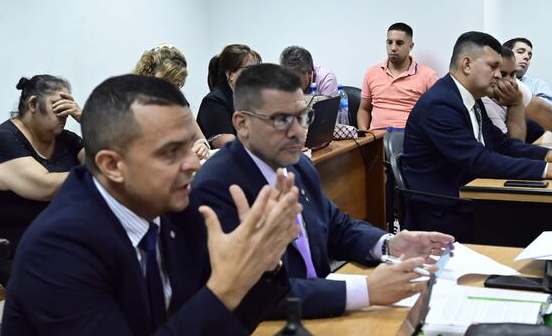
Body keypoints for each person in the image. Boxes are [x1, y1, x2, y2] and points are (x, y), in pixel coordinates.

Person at [0, 74, 302, 336]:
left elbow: (218, 328)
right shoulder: (59, 246)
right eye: (171, 152)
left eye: (192, 147)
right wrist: (226, 287)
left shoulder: (178, 208)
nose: (193, 165)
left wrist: (261, 266)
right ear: (112, 165)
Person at [193, 63, 454, 319]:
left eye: (303, 116)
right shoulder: (217, 186)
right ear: (242, 124)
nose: (298, 132)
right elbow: (257, 294)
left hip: (318, 314)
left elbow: (336, 226)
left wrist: (388, 245)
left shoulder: (299, 165)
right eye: (282, 120)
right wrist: (366, 290)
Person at [402, 32, 552, 239]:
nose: (498, 74)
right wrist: (549, 170)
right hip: (445, 211)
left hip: (471, 196)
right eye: (493, 66)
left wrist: (549, 156)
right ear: (467, 64)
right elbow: (478, 160)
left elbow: (501, 144)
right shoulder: (440, 104)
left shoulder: (469, 98)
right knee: (547, 217)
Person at [0, 75, 83, 283]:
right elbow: (46, 187)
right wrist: (100, 171)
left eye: (68, 105)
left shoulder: (63, 138)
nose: (65, 114)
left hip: (44, 232)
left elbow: (107, 160)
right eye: (57, 105)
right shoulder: (3, 140)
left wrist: (88, 120)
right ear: (33, 104)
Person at [133, 44, 211, 159]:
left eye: (176, 84)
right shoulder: (134, 106)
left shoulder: (179, 101)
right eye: (164, 81)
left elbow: (199, 137)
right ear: (148, 75)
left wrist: (202, 145)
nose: (170, 89)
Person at [357, 22, 439, 130]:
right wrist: (365, 135)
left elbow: (439, 114)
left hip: (408, 137)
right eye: (389, 42)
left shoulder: (428, 76)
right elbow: (364, 109)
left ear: (411, 46)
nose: (393, 48)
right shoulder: (372, 72)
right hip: (376, 137)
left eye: (399, 43)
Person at [504, 37, 552, 142]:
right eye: (520, 52)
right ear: (505, 55)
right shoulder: (495, 82)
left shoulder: (537, 84)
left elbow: (547, 115)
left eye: (529, 55)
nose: (527, 57)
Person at [197, 44, 261, 148]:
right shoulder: (213, 101)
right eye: (248, 69)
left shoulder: (252, 100)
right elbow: (227, 143)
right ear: (229, 74)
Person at [482, 46, 547, 142]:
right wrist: (516, 104)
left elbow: (543, 112)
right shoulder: (484, 102)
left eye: (513, 74)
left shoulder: (513, 89)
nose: (510, 81)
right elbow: (514, 147)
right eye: (503, 74)